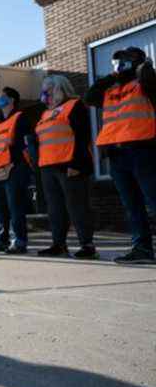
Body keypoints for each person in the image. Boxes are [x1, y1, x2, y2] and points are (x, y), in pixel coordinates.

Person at [84, 46, 156, 264]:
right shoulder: (110, 91)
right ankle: (142, 249)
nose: (118, 66)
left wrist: (146, 70)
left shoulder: (143, 83)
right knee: (132, 205)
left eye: (124, 61)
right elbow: (89, 96)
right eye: (116, 63)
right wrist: (113, 75)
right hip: (117, 154)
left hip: (143, 150)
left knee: (154, 200)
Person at [36, 75, 98, 259]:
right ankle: (58, 244)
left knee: (77, 207)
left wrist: (77, 164)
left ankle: (87, 245)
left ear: (59, 88)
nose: (44, 92)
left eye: (47, 88)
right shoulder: (45, 113)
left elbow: (82, 136)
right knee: (55, 209)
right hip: (48, 166)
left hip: (69, 164)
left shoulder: (74, 105)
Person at [0, 87, 32, 255]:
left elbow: (23, 146)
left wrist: (11, 165)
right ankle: (1, 239)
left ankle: (19, 241)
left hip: (14, 169)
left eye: (2, 96)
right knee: (0, 208)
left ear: (12, 100)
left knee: (15, 206)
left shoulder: (21, 118)